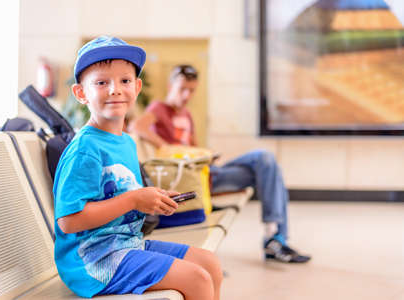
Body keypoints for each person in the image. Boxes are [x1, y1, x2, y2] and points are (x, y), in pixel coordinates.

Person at [53, 37, 223, 300]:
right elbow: (68, 221)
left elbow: (123, 193)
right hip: (94, 261)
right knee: (197, 279)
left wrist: (151, 197)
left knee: (209, 265)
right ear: (81, 93)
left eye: (125, 81)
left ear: (137, 86)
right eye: (101, 82)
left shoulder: (126, 142)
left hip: (127, 244)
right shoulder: (85, 149)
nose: (115, 89)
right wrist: (133, 199)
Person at [133, 64, 311, 263]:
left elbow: (194, 147)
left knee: (266, 162)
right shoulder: (159, 108)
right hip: (191, 178)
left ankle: (274, 236)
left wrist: (204, 155)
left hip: (206, 170)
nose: (186, 96)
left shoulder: (186, 115)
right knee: (267, 166)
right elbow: (137, 126)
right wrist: (168, 147)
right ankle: (275, 238)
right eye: (182, 89)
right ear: (170, 86)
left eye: (191, 91)